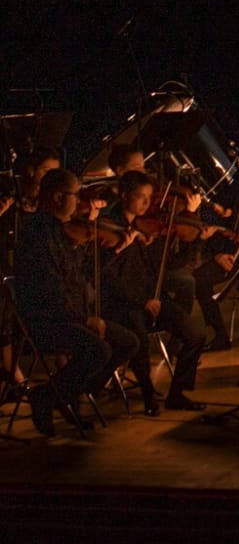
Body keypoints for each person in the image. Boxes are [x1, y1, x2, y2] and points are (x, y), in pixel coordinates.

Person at [13, 167, 143, 436]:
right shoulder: (39, 234)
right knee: (98, 350)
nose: (80, 203)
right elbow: (50, 291)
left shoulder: (62, 231)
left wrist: (113, 250)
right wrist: (85, 320)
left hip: (70, 315)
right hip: (47, 321)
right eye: (76, 196)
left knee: (128, 342)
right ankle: (49, 396)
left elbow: (82, 275)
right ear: (59, 198)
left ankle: (65, 393)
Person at [99, 169, 211, 413]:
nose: (147, 203)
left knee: (196, 334)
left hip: (150, 299)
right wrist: (141, 301)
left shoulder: (148, 229)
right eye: (141, 197)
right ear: (125, 195)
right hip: (122, 304)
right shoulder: (107, 228)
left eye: (150, 197)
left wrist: (196, 243)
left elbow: (169, 265)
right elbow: (105, 278)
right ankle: (149, 395)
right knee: (138, 338)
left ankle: (177, 393)